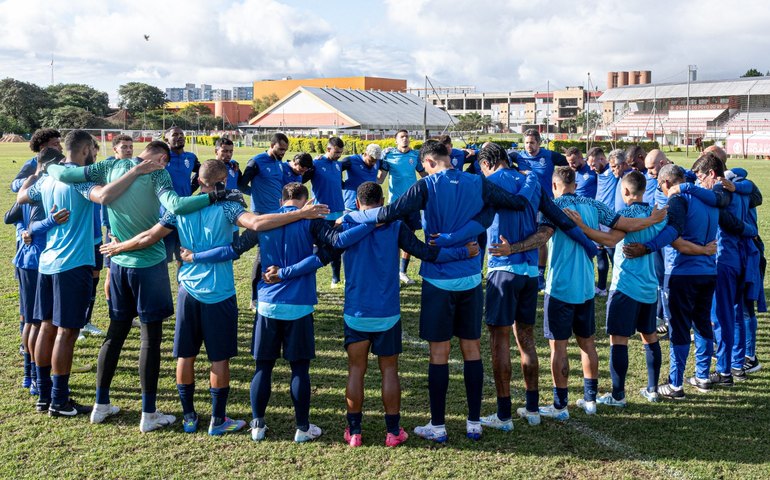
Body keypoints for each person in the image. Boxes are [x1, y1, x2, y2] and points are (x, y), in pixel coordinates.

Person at [342, 141, 597, 442]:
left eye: (423, 167)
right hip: (473, 278)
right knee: (474, 350)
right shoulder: (478, 182)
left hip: (440, 278)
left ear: (429, 162)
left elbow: (388, 213)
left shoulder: (428, 185)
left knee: (440, 353)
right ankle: (474, 422)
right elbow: (516, 205)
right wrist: (588, 243)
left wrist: (350, 217)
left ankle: (438, 425)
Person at [45, 140, 242, 431]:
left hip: (118, 263)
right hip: (148, 264)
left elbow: (64, 174)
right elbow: (176, 205)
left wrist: (48, 165)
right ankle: (148, 413)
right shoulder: (158, 173)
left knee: (115, 335)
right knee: (150, 340)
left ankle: (100, 404)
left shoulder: (109, 166)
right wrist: (217, 196)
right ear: (162, 159)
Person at [339, 181, 478, 447]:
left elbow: (325, 247)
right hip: (388, 313)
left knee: (356, 370)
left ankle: (354, 432)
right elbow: (425, 252)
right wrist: (463, 251)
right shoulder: (395, 226)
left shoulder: (347, 224)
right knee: (389, 370)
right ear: (383, 204)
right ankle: (393, 432)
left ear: (357, 203)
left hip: (356, 311)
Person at [473, 144, 599, 429]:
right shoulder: (528, 181)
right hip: (530, 273)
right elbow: (559, 220)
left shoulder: (488, 183)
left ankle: (504, 415)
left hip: (502, 270)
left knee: (500, 342)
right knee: (526, 340)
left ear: (486, 164)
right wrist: (590, 246)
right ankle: (532, 409)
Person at [16, 130, 135, 417]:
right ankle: (59, 400)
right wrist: (135, 172)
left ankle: (44, 396)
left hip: (47, 263)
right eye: (93, 150)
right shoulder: (80, 179)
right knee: (66, 332)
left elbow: (21, 196)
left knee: (46, 326)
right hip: (73, 265)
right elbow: (103, 196)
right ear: (84, 150)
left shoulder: (47, 178)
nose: (95, 155)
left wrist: (38, 175)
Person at [566, 171, 712, 405]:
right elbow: (677, 241)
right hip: (649, 287)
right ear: (644, 190)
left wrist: (581, 226)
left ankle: (618, 396)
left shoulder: (626, 215)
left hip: (625, 286)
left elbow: (609, 240)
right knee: (650, 336)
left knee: (618, 340)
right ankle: (653, 390)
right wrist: (704, 250)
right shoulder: (658, 215)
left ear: (625, 191)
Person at [248, 182, 374, 443]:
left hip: (267, 304)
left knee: (263, 367)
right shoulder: (311, 221)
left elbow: (237, 247)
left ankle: (257, 425)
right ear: (306, 201)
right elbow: (338, 242)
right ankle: (302, 427)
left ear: (281, 200)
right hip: (299, 305)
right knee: (299, 369)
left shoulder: (265, 221)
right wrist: (371, 221)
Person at [537, 166, 666, 420]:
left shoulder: (553, 207)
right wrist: (652, 221)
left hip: (563, 286)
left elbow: (544, 239)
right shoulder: (594, 205)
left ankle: (561, 404)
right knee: (588, 344)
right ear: (576, 185)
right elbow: (625, 226)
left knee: (559, 347)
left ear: (554, 186)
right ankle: (591, 400)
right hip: (589, 286)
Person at [623, 164, 722, 400]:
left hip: (683, 273)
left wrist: (647, 247)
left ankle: (675, 385)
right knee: (702, 323)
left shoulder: (678, 199)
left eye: (660, 187)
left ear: (667, 183)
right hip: (709, 272)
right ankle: (702, 376)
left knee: (679, 327)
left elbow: (672, 232)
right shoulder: (709, 198)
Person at [674, 155, 758, 387]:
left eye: (701, 178)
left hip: (723, 260)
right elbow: (752, 190)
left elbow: (725, 216)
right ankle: (737, 365)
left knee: (720, 318)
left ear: (712, 174)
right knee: (735, 313)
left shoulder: (719, 193)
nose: (699, 183)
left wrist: (686, 188)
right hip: (740, 258)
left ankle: (723, 371)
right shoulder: (738, 186)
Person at [5, 148, 68, 397]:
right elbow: (28, 222)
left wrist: (24, 229)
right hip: (36, 261)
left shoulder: (31, 183)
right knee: (36, 322)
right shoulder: (45, 185)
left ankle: (29, 374)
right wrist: (45, 224)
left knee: (32, 320)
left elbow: (14, 216)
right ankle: (32, 376)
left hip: (28, 259)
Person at [238, 132, 290, 310]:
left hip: (278, 214)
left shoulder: (279, 162)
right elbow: (241, 185)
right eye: (280, 149)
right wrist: (256, 193)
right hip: (262, 215)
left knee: (275, 253)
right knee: (262, 255)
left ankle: (272, 290)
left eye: (285, 150)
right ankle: (254, 298)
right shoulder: (256, 161)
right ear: (272, 145)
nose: (283, 152)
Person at [512, 129, 568, 290]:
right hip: (527, 203)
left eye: (532, 142)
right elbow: (499, 157)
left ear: (539, 143)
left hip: (546, 204)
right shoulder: (517, 156)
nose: (529, 146)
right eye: (526, 142)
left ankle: (540, 274)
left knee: (541, 238)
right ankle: (525, 269)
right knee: (525, 234)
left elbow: (571, 162)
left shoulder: (549, 156)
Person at [378, 130, 427, 284]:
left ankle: (402, 272)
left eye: (406, 136)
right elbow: (380, 179)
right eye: (402, 137)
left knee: (409, 237)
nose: (405, 139)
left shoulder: (415, 156)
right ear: (396, 141)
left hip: (412, 203)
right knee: (394, 237)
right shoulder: (388, 155)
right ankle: (392, 273)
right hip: (395, 204)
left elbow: (425, 174)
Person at [304, 137, 347, 287]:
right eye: (336, 152)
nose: (339, 155)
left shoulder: (338, 165)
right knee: (318, 249)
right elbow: (299, 178)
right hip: (321, 213)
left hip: (338, 213)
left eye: (341, 152)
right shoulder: (315, 163)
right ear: (328, 149)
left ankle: (336, 279)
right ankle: (310, 282)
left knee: (337, 247)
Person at [643, 150, 672, 335]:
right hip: (655, 238)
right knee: (659, 280)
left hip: (671, 240)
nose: (648, 172)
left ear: (662, 163)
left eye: (651, 168)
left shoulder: (677, 177)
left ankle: (671, 321)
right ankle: (661, 316)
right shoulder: (651, 180)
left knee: (670, 282)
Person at [163, 126, 200, 266]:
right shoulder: (162, 158)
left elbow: (203, 172)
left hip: (185, 214)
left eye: (181, 134)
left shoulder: (191, 157)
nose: (179, 137)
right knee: (163, 259)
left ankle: (181, 281)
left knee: (183, 257)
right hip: (165, 214)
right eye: (175, 135)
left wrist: (191, 188)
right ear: (166, 139)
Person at [587, 147, 616, 296]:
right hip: (598, 221)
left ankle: (617, 286)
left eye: (593, 164)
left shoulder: (613, 171)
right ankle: (602, 287)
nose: (591, 168)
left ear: (602, 159)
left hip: (611, 223)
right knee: (600, 255)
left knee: (613, 257)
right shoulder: (598, 173)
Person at [11, 128, 62, 193]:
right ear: (42, 148)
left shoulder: (60, 163)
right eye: (56, 144)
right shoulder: (31, 164)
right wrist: (31, 180)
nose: (61, 147)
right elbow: (14, 185)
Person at [341, 144, 381, 212]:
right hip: (352, 205)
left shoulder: (378, 161)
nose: (373, 163)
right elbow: (335, 169)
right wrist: (341, 184)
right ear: (365, 154)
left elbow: (386, 165)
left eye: (375, 161)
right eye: (371, 161)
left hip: (370, 207)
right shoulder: (351, 160)